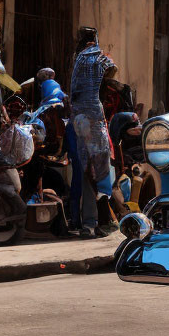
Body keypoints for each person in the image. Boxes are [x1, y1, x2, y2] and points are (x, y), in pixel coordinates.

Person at [68, 28, 118, 238]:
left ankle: (88, 223)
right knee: (103, 172)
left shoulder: (77, 61)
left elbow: (73, 92)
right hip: (95, 118)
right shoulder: (102, 60)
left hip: (78, 119)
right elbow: (113, 70)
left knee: (87, 171)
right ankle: (101, 222)